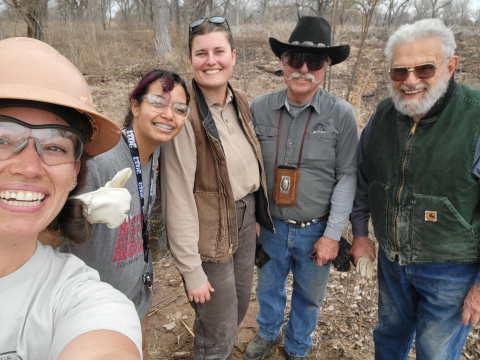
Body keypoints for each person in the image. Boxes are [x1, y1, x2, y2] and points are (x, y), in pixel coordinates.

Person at [0, 37, 142, 359]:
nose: (29, 167)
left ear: (76, 172)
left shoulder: (79, 300)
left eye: (54, 147)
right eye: (2, 139)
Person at [349, 18, 480, 360]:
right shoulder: (382, 114)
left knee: (435, 352)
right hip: (393, 262)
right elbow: (363, 180)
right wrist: (361, 235)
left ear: (450, 67)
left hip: (452, 269)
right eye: (399, 71)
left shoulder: (476, 119)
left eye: (424, 69)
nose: (409, 81)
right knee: (389, 337)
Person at [245, 16, 358, 360]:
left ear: (326, 68)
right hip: (270, 227)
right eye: (295, 59)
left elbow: (348, 176)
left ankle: (297, 346)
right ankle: (268, 331)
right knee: (267, 289)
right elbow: (246, 169)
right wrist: (250, 221)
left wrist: (333, 234)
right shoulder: (258, 108)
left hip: (316, 230)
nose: (304, 69)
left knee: (309, 298)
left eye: (315, 63)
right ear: (283, 62)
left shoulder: (342, 115)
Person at [160, 16, 274, 359]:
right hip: (208, 232)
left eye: (219, 51)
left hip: (243, 217)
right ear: (190, 60)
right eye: (201, 53)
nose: (211, 61)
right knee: (219, 328)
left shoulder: (239, 100)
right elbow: (177, 196)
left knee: (237, 309)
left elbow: (246, 164)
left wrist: (252, 214)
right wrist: (192, 271)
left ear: (234, 56)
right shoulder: (184, 115)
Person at [59, 69, 190, 360]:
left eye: (179, 109)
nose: (169, 114)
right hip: (93, 305)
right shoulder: (101, 162)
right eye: (157, 102)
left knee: (141, 350)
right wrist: (80, 210)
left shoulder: (155, 153)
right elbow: (49, 233)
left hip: (134, 290)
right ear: (135, 105)